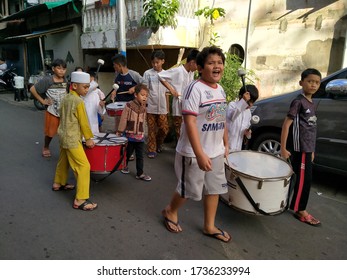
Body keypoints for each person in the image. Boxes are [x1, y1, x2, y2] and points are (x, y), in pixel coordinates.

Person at [161, 46, 231, 243]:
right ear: (200, 68)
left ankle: (209, 226)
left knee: (215, 189)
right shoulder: (195, 88)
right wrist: (199, 153)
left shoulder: (221, 89)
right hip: (192, 152)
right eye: (211, 63)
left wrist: (226, 143)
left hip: (216, 151)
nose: (217, 66)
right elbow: (190, 122)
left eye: (219, 62)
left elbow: (221, 117)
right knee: (188, 189)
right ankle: (170, 211)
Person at [280, 68, 322, 226]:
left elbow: (311, 129)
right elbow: (286, 125)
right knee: (305, 180)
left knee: (304, 179)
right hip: (300, 149)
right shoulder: (298, 101)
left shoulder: (311, 103)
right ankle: (300, 210)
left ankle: (295, 205)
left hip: (307, 150)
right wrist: (283, 148)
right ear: (301, 83)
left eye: (317, 82)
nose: (313, 85)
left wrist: (312, 151)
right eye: (310, 81)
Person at [52, 71, 98, 211]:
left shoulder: (65, 98)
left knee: (63, 160)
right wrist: (89, 138)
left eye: (87, 86)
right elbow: (84, 122)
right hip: (72, 139)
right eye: (84, 87)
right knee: (84, 166)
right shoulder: (78, 101)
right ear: (75, 86)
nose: (86, 89)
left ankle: (58, 183)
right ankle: (80, 199)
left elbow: (60, 114)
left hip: (63, 135)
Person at [158, 49, 199, 142]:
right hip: (178, 103)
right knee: (179, 129)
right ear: (192, 62)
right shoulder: (178, 71)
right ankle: (180, 151)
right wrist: (172, 90)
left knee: (188, 127)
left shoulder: (191, 73)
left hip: (188, 104)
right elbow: (160, 76)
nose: (197, 68)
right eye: (197, 64)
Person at [30, 58, 68, 157]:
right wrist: (43, 101)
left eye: (64, 69)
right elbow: (32, 89)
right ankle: (46, 146)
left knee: (65, 132)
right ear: (53, 69)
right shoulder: (47, 80)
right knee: (50, 133)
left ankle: (64, 149)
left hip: (63, 111)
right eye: (59, 68)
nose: (61, 71)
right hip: (52, 111)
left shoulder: (66, 80)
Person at [116, 84, 151, 181]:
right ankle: (124, 166)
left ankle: (140, 173)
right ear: (136, 95)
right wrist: (119, 131)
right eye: (142, 95)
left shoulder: (144, 107)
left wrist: (144, 132)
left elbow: (144, 121)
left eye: (146, 95)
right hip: (129, 136)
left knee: (140, 156)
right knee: (127, 153)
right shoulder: (128, 105)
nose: (145, 97)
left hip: (140, 136)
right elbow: (123, 119)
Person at [143, 50, 169, 158]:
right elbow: (144, 91)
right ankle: (151, 149)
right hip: (150, 106)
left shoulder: (167, 74)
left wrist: (168, 108)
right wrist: (143, 106)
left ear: (163, 61)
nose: (155, 64)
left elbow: (167, 93)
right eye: (153, 62)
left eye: (157, 62)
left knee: (164, 129)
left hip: (162, 107)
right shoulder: (147, 74)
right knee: (151, 129)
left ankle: (159, 143)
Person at [110, 54, 144, 132]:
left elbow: (144, 84)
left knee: (130, 127)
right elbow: (115, 86)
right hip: (119, 105)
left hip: (132, 106)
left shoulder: (134, 74)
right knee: (119, 127)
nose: (114, 67)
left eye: (114, 65)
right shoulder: (117, 75)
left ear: (119, 65)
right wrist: (114, 91)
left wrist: (135, 88)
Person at [226, 84, 259, 152]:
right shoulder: (232, 105)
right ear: (240, 97)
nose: (250, 105)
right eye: (248, 101)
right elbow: (233, 116)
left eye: (252, 102)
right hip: (226, 148)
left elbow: (245, 132)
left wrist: (247, 133)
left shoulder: (248, 112)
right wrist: (243, 102)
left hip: (238, 149)